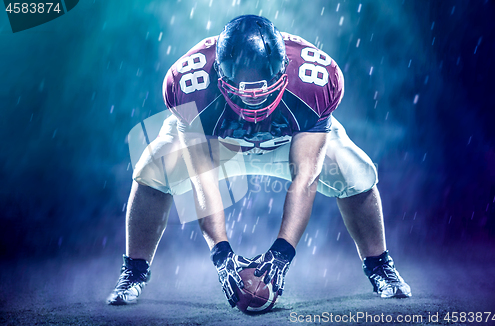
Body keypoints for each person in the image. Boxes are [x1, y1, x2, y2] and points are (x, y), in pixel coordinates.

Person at [107, 15, 411, 307]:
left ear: (285, 69)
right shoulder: (191, 86)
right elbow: (203, 178)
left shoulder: (313, 82)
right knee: (152, 168)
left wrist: (282, 253)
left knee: (354, 171)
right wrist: (221, 254)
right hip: (220, 144)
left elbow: (305, 177)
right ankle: (133, 271)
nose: (253, 99)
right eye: (244, 89)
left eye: (261, 88)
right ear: (218, 74)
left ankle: (379, 265)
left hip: (290, 140)